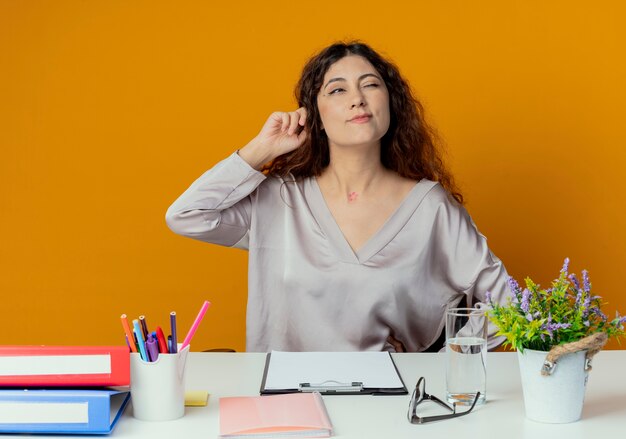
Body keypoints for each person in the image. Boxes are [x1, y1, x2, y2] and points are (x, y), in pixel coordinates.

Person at [166, 41, 509, 353]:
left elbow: (509, 304)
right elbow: (187, 215)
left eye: (371, 84)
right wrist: (261, 149)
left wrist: (449, 357)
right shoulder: (280, 199)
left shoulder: (431, 207)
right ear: (314, 114)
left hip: (388, 406)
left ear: (391, 101)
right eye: (337, 90)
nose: (357, 98)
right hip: (285, 407)